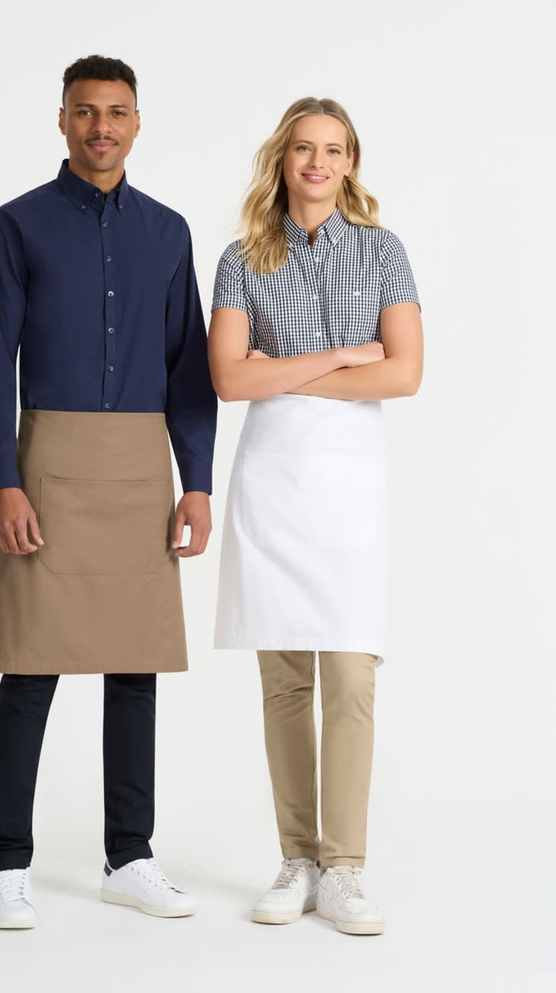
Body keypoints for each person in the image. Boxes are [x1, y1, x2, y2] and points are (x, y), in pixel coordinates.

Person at [0, 55, 216, 929]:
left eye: (117, 113)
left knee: (134, 664)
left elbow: (190, 369)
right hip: (48, 465)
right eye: (86, 112)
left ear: (138, 123)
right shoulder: (18, 225)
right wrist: (3, 477)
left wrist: (197, 484)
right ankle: (4, 863)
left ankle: (131, 854)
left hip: (141, 467)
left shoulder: (169, 232)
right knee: (31, 666)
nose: (101, 127)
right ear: (64, 120)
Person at [208, 97, 422, 935]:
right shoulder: (242, 257)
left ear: (350, 162)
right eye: (305, 147)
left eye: (334, 150)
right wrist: (342, 352)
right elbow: (229, 379)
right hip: (274, 478)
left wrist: (281, 367)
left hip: (351, 485)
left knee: (352, 677)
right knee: (284, 679)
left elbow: (404, 374)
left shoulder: (383, 252)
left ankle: (345, 865)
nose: (318, 163)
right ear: (283, 158)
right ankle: (297, 857)